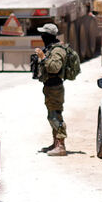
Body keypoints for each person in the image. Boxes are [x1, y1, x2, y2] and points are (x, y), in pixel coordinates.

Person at [33, 23, 70, 156]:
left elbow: (55, 68)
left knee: (55, 116)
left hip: (55, 88)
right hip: (49, 87)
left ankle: (61, 146)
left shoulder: (58, 50)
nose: (42, 36)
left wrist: (43, 57)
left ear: (49, 35)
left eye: (44, 34)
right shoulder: (51, 48)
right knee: (51, 115)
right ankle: (55, 143)